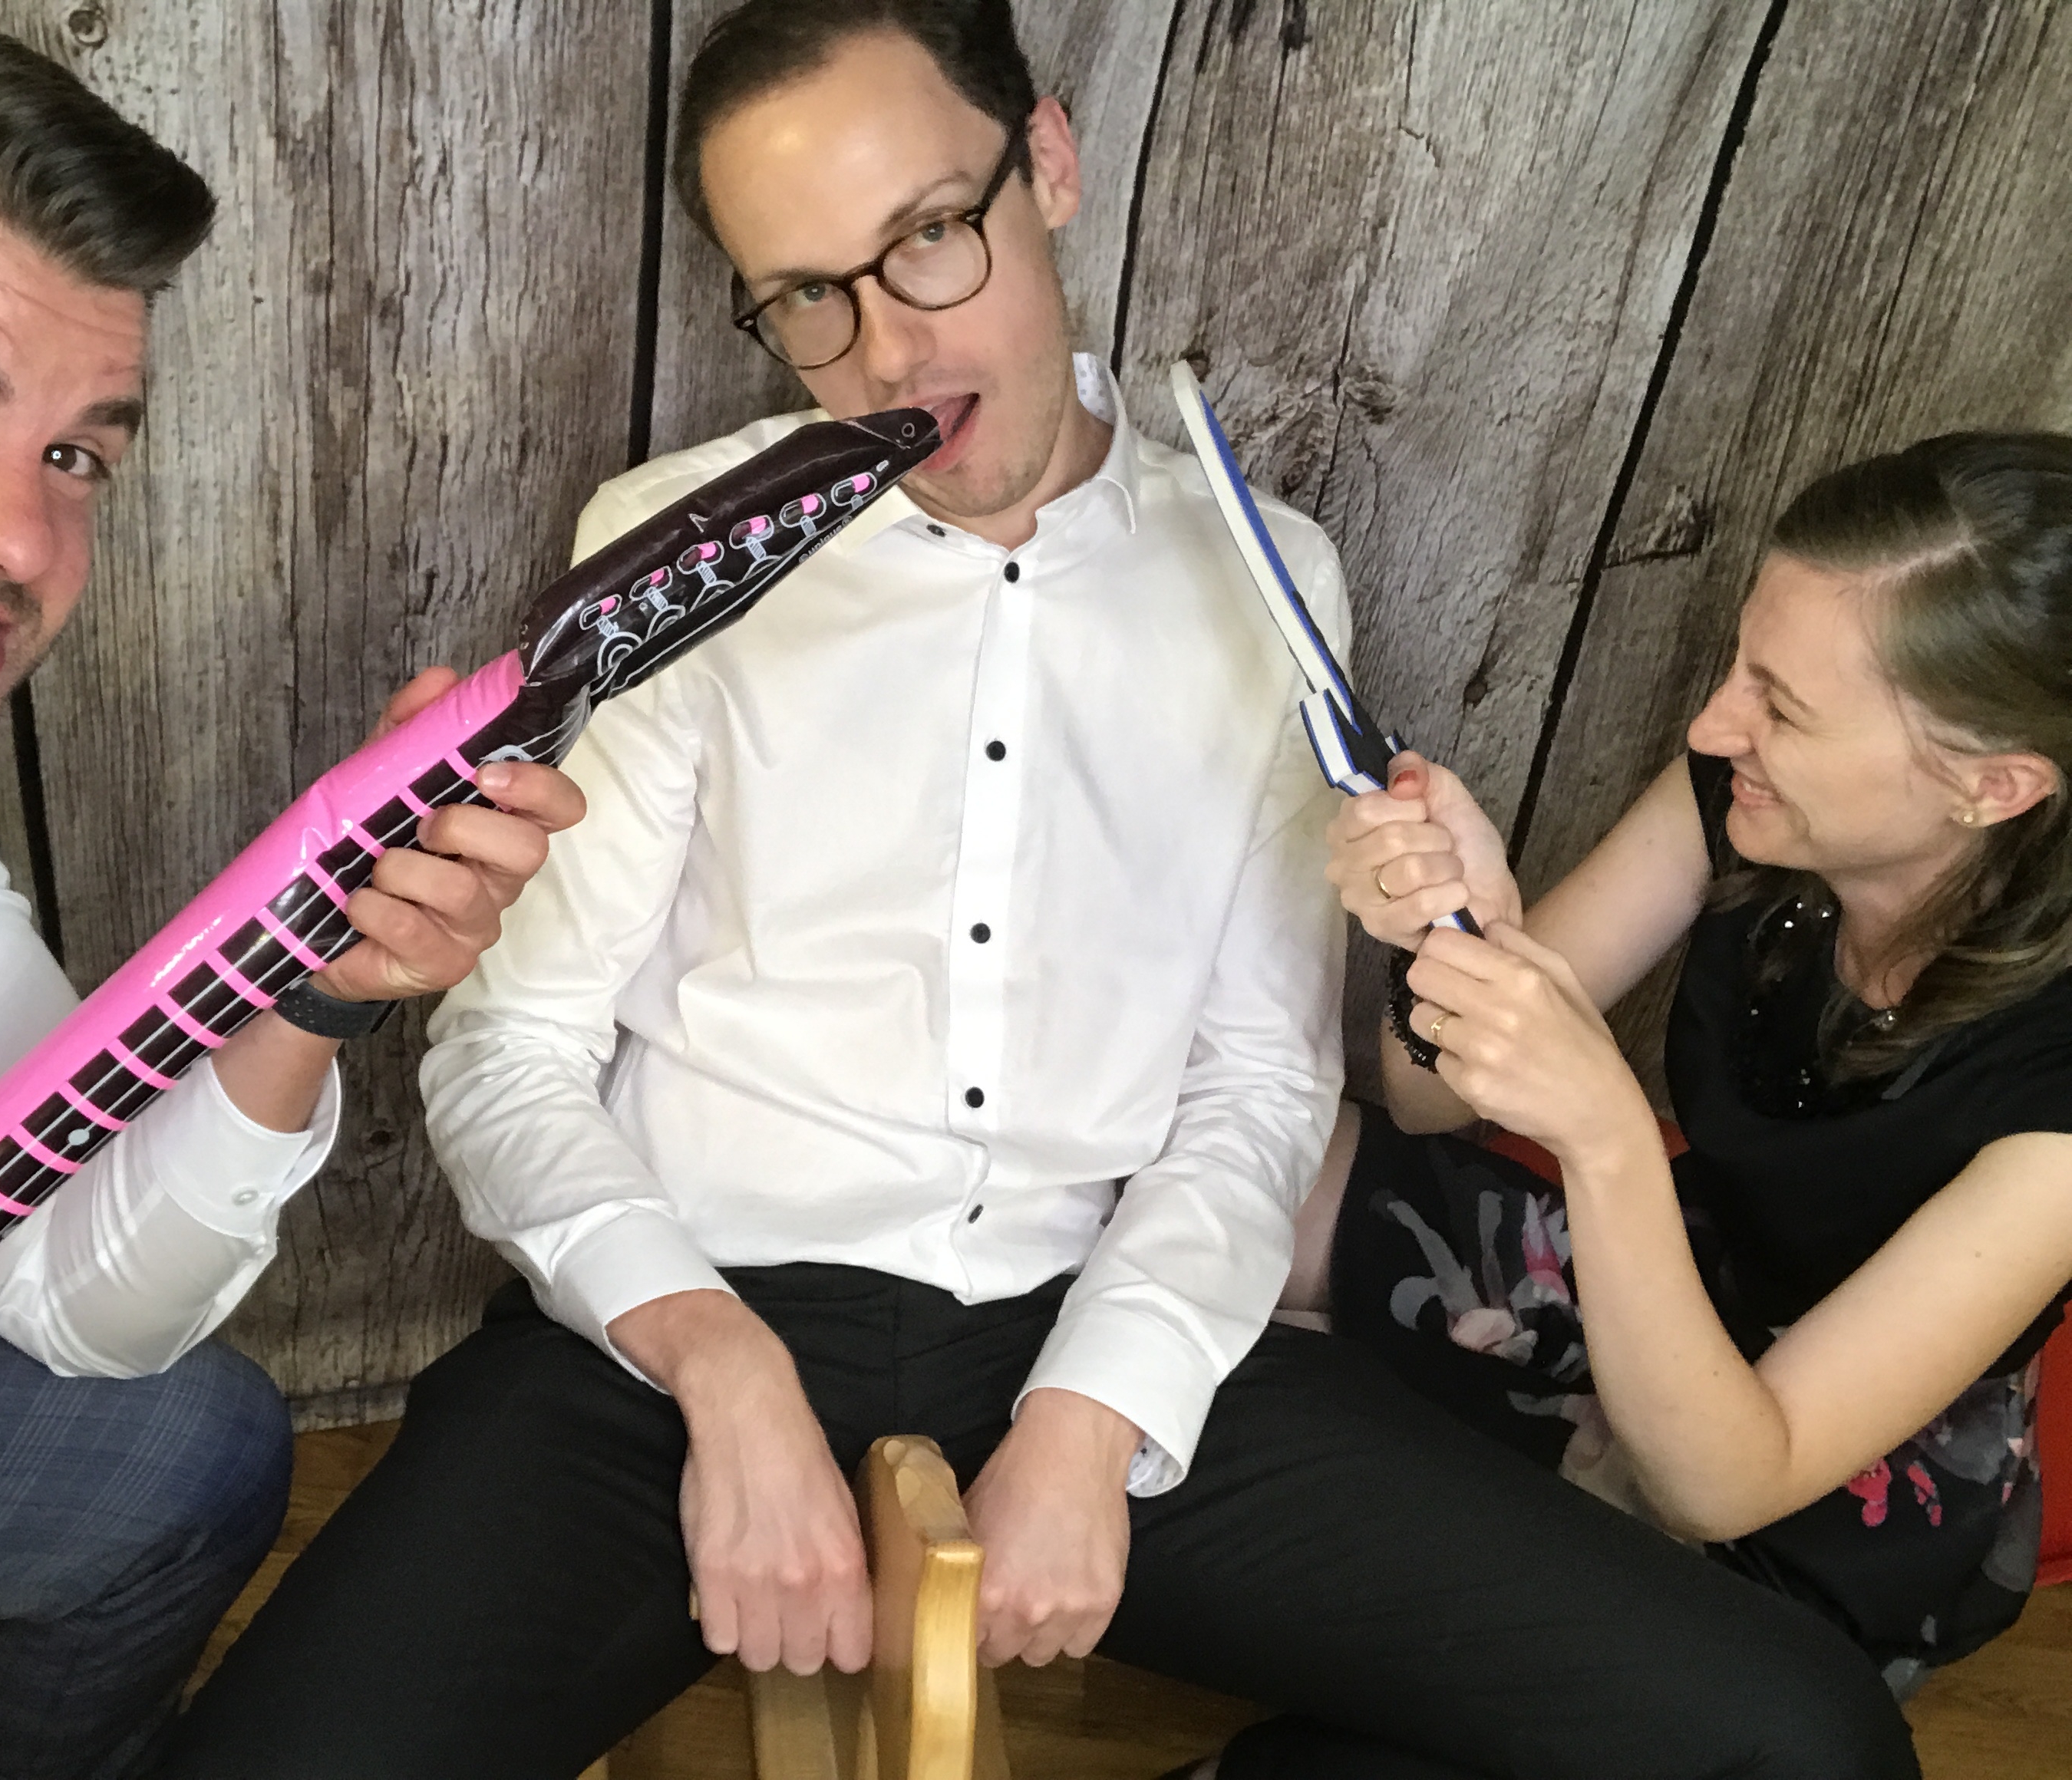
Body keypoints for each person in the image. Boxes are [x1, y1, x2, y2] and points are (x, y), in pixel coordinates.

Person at [162, 5, 1915, 1777]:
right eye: (805, 297)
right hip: (677, 1331)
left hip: (1097, 1325)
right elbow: (508, 1051)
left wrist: (1092, 1414)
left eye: (930, 235)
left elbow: (1257, 1078)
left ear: (1050, 167)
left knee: (1793, 1739)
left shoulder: (1266, 570)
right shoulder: (664, 546)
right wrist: (717, 1364)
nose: (884, 352)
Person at [0, 5, 582, 1777]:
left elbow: (68, 1283)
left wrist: (310, 987)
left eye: (76, 454)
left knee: (184, 1451)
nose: (22, 543)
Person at [1298, 431, 2072, 1705]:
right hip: (1681, 1268)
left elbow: (1728, 1479)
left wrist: (1606, 1135)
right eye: (1742, 670)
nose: (1717, 725)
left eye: (1784, 705)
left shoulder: (2054, 1083)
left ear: (1992, 786)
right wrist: (1453, 933)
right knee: (1263, 1165)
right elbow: (1432, 1098)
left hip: (1836, 1480)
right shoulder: (1743, 794)